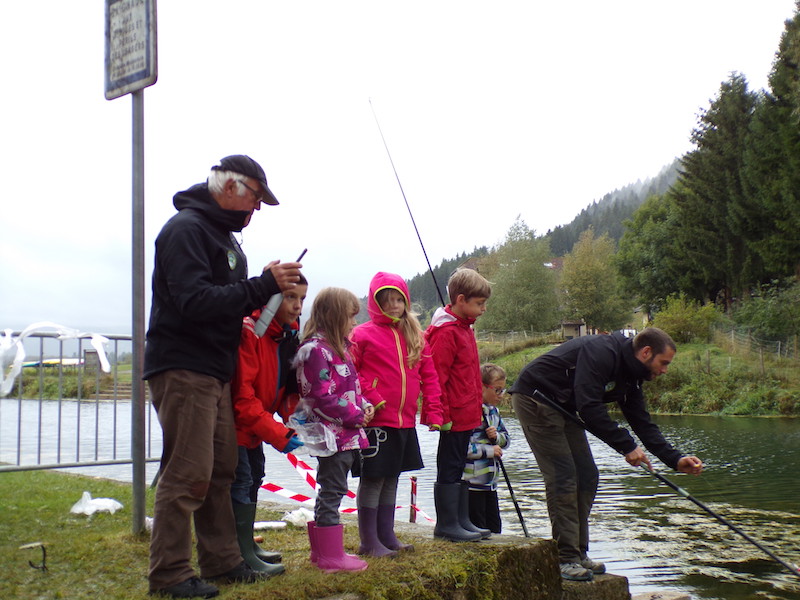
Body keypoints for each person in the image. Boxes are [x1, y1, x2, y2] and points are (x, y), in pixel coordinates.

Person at [143, 155, 303, 599]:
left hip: (214, 371)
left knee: (220, 469)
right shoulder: (186, 230)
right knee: (188, 471)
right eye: (256, 198)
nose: (257, 209)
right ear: (231, 187)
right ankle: (170, 576)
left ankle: (223, 561)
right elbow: (194, 301)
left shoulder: (222, 237)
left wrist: (260, 290)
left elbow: (225, 301)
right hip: (184, 367)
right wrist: (263, 286)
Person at [509, 327, 704, 582]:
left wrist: (674, 459)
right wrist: (627, 446)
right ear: (646, 352)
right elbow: (589, 407)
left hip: (563, 405)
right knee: (563, 477)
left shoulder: (632, 374)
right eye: (664, 362)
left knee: (587, 475)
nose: (665, 370)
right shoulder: (601, 352)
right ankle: (565, 558)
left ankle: (578, 553)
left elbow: (641, 421)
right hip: (534, 399)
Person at [350, 272, 443, 557]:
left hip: (404, 421)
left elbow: (430, 376)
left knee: (392, 477)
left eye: (398, 299)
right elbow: (351, 372)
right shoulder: (361, 334)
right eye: (386, 300)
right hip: (375, 421)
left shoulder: (416, 336)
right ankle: (369, 541)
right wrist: (374, 399)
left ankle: (386, 535)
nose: (393, 305)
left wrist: (434, 410)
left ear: (406, 301)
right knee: (373, 478)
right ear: (375, 303)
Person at [229, 274, 309, 575]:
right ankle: (238, 552)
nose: (297, 306)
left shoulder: (286, 335)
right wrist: (279, 433)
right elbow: (242, 399)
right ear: (272, 297)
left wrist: (296, 419)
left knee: (255, 477)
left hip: (256, 426)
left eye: (302, 299)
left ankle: (247, 544)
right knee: (241, 482)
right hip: (238, 426)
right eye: (290, 297)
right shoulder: (251, 331)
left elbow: (286, 388)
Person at [293, 287, 375, 572]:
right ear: (334, 316)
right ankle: (330, 556)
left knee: (331, 488)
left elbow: (349, 388)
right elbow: (320, 397)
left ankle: (322, 552)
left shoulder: (338, 348)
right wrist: (356, 415)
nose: (354, 322)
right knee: (333, 489)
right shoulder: (316, 351)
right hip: (333, 437)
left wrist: (365, 405)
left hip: (345, 433)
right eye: (350, 316)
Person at [424, 268, 493, 542]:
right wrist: (442, 414)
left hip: (467, 412)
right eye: (479, 303)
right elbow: (436, 376)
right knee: (450, 464)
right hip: (452, 414)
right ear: (461, 300)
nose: (483, 309)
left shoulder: (464, 328)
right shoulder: (446, 332)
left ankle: (460, 519)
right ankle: (447, 524)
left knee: (459, 463)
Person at [464, 363, 510, 535]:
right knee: (479, 528)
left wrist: (496, 437)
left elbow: (506, 440)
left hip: (491, 484)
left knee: (495, 528)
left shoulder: (494, 412)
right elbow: (463, 448)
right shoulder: (470, 412)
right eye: (497, 390)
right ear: (482, 387)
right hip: (473, 485)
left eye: (502, 390)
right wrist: (490, 451)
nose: (500, 395)